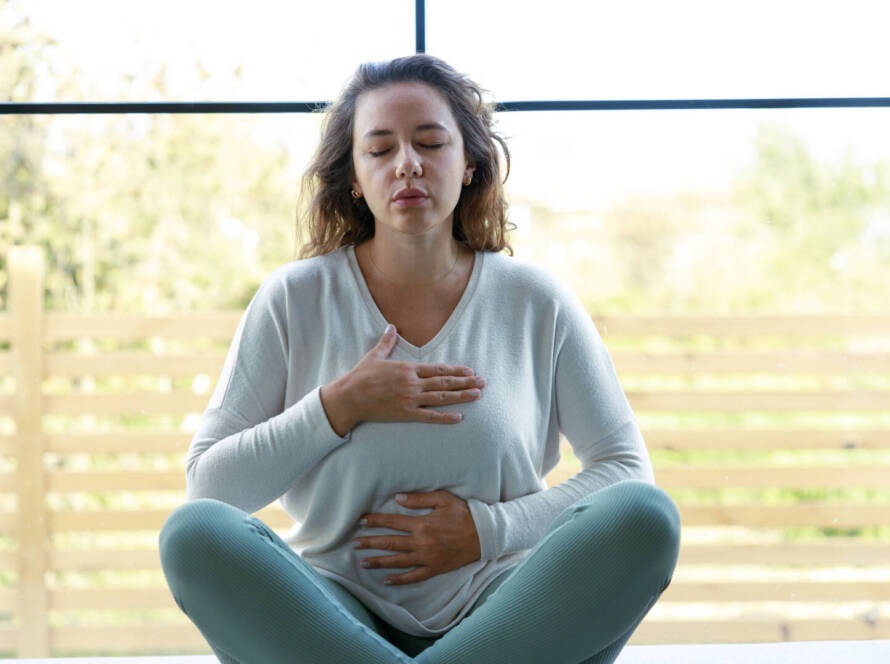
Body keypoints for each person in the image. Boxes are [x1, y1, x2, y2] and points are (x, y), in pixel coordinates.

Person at [159, 53, 681, 664]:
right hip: (331, 613)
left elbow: (625, 470)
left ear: (468, 165)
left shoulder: (535, 301)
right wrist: (339, 405)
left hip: (507, 608)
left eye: (431, 142)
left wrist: (486, 531)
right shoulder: (294, 299)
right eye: (379, 150)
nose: (407, 163)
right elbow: (210, 489)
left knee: (647, 518)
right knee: (192, 535)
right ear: (354, 175)